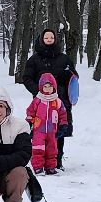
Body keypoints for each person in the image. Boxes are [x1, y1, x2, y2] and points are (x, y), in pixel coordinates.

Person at [18, 27, 77, 170]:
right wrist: (38, 91)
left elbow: (73, 78)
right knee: (40, 132)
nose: (49, 40)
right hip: (41, 103)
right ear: (42, 40)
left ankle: (57, 161)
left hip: (60, 100)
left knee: (59, 131)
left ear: (55, 39)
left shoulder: (64, 59)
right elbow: (27, 78)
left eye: (51, 37)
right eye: (46, 38)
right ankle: (39, 161)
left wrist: (66, 89)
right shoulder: (34, 59)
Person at [26, 73, 67, 176]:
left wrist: (63, 124)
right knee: (38, 149)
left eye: (50, 86)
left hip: (52, 131)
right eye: (45, 86)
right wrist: (29, 122)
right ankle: (38, 167)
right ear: (41, 87)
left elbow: (63, 114)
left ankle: (50, 167)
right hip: (38, 130)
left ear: (54, 87)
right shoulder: (37, 100)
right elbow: (30, 112)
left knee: (52, 150)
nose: (47, 89)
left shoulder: (57, 101)